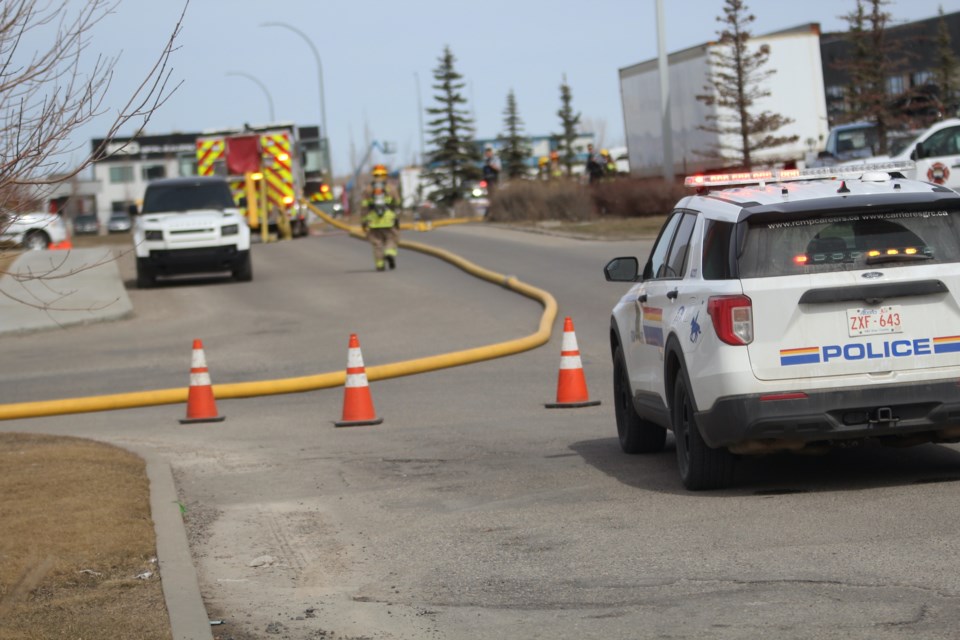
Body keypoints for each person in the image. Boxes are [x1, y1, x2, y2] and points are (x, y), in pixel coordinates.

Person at [360, 164, 401, 271]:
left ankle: (380, 265)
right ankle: (389, 253)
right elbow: (398, 202)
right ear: (385, 174)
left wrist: (364, 221)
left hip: (373, 221)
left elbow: (364, 207)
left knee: (377, 244)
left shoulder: (368, 189)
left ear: (374, 174)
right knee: (391, 238)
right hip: (388, 220)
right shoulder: (391, 188)